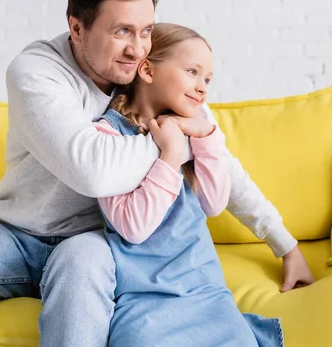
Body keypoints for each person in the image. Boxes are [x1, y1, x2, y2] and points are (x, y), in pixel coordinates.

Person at [0, 0, 314, 347]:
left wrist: (285, 243)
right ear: (77, 28)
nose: (136, 49)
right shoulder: (38, 72)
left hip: (98, 242)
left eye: (146, 31)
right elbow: (93, 170)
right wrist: (175, 139)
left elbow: (221, 165)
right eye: (121, 32)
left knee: (81, 264)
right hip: (17, 232)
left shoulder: (154, 72)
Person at [97, 22, 287, 347]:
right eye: (192, 71)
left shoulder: (195, 129)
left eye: (207, 79)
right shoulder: (107, 136)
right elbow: (134, 228)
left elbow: (214, 203)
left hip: (203, 287)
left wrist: (206, 136)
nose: (202, 88)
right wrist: (170, 154)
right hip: (143, 296)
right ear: (147, 70)